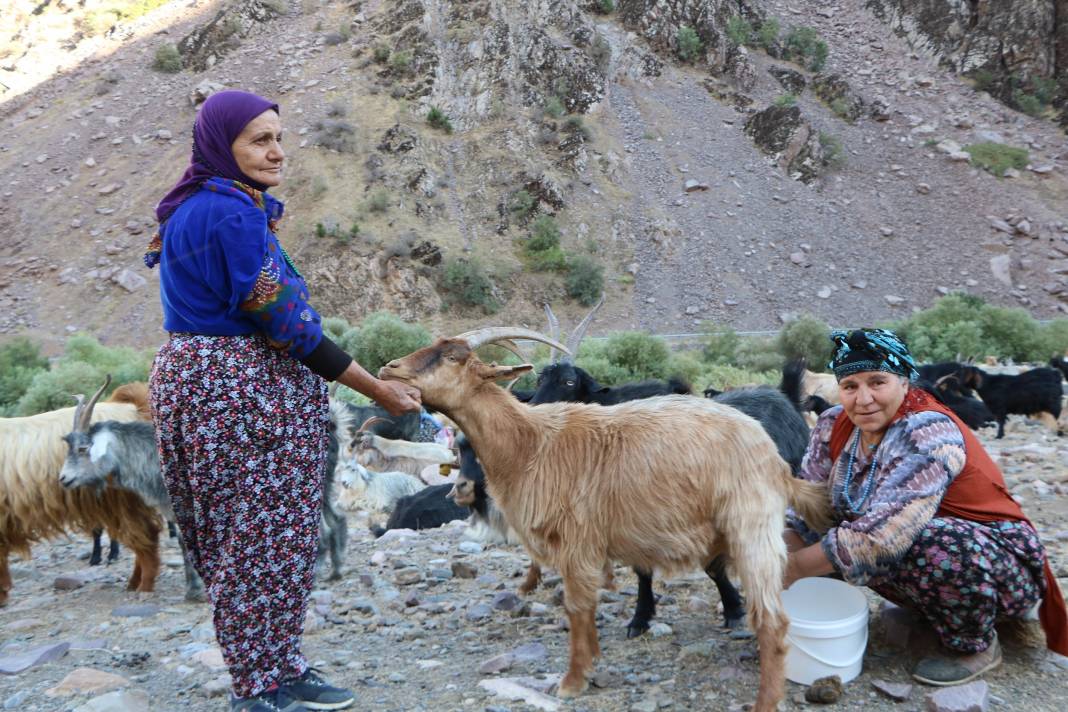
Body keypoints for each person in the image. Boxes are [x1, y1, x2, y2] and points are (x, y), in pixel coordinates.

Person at [145, 90, 421, 712]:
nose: (276, 152)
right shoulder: (234, 214)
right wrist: (377, 389)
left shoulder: (195, 207)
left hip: (195, 381)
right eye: (258, 140)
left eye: (278, 138)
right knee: (265, 537)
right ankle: (260, 686)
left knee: (240, 535)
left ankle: (279, 667)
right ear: (225, 146)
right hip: (244, 393)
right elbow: (284, 323)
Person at [785, 328, 1067, 686]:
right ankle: (935, 609)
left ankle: (975, 643)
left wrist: (794, 568)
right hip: (912, 557)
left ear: (904, 382)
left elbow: (883, 536)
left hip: (996, 564)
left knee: (930, 541)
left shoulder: (928, 430)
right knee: (812, 535)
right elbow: (809, 496)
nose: (863, 398)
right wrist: (782, 545)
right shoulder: (833, 425)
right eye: (850, 386)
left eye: (877, 381)